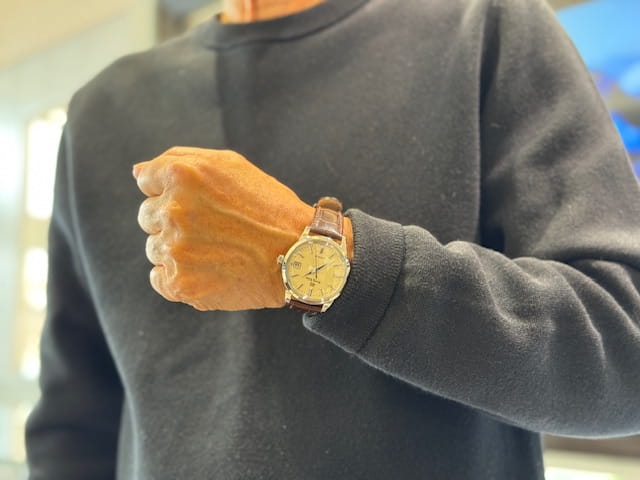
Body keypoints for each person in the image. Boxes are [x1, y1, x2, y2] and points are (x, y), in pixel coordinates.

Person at [25, 0, 640, 478]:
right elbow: (72, 430)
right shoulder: (101, 113)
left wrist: (316, 256)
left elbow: (623, 353)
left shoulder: (485, 28)